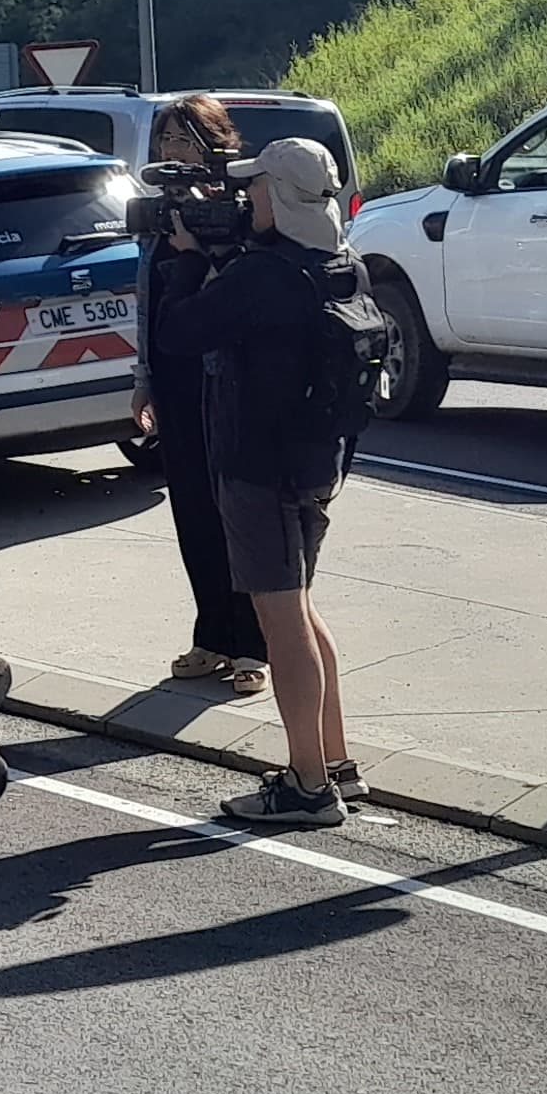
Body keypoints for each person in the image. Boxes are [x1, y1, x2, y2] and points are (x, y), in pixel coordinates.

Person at [189, 132, 366, 828]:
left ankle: (308, 787)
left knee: (281, 621)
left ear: (281, 195)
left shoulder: (260, 275)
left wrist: (192, 261)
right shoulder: (342, 264)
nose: (246, 198)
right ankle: (336, 761)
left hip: (259, 467)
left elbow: (181, 332)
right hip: (319, 462)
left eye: (255, 186)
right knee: (301, 609)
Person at [136, 93, 266, 690]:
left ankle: (253, 645)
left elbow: (240, 296)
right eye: (166, 139)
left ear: (216, 144)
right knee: (190, 507)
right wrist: (144, 381)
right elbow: (149, 303)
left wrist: (207, 245)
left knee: (234, 510)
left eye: (184, 140)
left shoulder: (238, 207)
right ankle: (212, 635)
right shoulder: (161, 214)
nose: (172, 150)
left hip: (226, 378)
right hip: (174, 373)